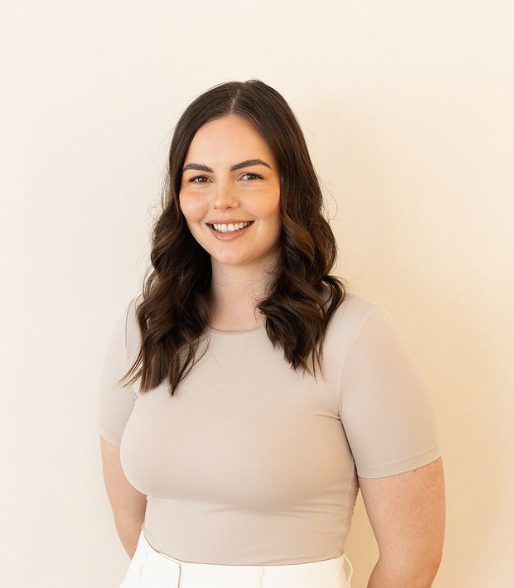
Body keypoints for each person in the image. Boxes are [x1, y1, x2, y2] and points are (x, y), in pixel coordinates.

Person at [98, 79, 445, 588]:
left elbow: (413, 559)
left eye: (250, 176)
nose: (223, 201)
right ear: (179, 195)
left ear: (290, 187)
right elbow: (132, 520)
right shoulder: (145, 326)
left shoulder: (355, 337)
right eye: (199, 179)